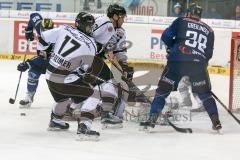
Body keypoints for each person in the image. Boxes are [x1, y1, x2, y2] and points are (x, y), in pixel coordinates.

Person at [140, 3, 222, 131]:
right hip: (198, 65)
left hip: (177, 62)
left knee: (162, 91)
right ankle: (216, 122)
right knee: (205, 94)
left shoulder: (181, 20)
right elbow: (208, 54)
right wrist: (199, 62)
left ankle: (151, 120)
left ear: (189, 13)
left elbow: (165, 37)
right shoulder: (209, 30)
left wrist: (173, 47)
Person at [17, 13, 54, 108]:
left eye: (48, 31)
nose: (45, 33)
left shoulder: (55, 39)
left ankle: (70, 101)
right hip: (42, 59)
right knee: (32, 74)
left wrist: (28, 63)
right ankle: (29, 96)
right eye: (44, 30)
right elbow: (34, 15)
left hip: (53, 63)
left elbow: (44, 58)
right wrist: (28, 30)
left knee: (59, 81)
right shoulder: (39, 26)